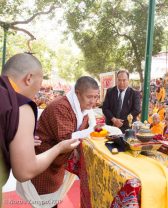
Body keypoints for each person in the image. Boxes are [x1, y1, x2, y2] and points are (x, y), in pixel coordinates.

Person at [0, 53, 80, 204]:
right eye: (39, 84)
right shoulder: (21, 106)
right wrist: (59, 148)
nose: (37, 93)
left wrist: (20, 142)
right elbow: (25, 171)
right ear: (29, 78)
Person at [17, 76, 99, 208]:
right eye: (90, 97)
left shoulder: (83, 109)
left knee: (52, 202)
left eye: (96, 97)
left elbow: (82, 131)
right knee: (44, 202)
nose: (93, 102)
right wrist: (92, 131)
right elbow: (67, 139)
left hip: (57, 162)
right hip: (43, 161)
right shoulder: (61, 107)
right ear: (77, 93)